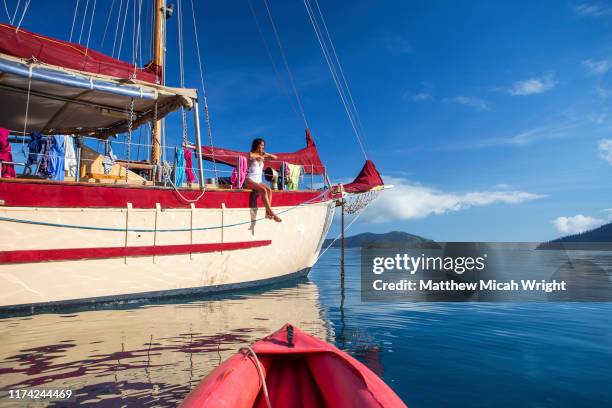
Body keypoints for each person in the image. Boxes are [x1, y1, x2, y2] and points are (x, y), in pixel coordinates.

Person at [245, 138, 282, 222]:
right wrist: (261, 155)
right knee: (263, 190)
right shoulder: (251, 154)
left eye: (263, 145)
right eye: (261, 145)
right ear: (257, 145)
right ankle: (272, 213)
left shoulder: (263, 156)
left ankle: (267, 213)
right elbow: (250, 155)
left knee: (269, 190)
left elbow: (275, 157)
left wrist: (266, 154)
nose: (263, 146)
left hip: (259, 181)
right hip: (250, 180)